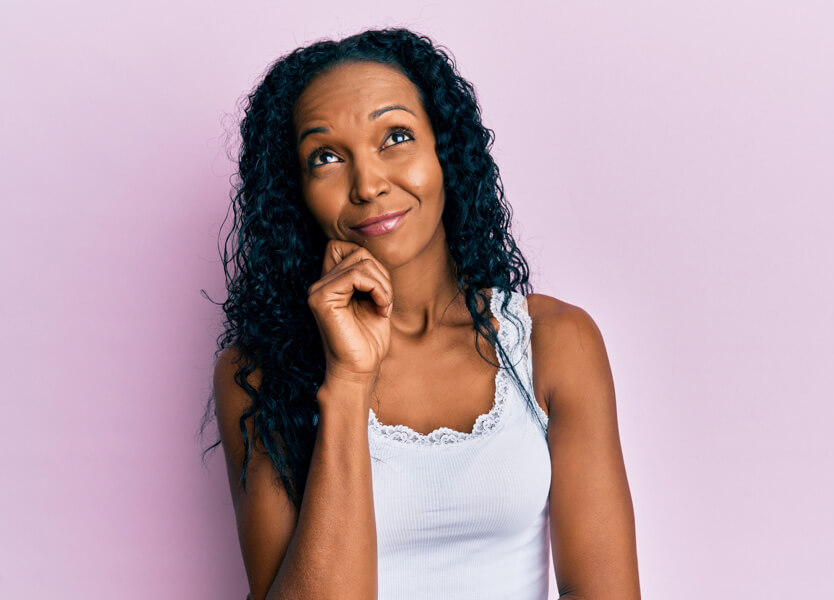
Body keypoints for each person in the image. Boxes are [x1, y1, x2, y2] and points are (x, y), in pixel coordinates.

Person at [203, 27, 641, 599]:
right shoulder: (258, 375)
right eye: (327, 157)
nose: (368, 184)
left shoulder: (555, 341)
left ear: (445, 153)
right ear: (296, 193)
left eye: (396, 137)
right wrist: (348, 379)